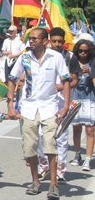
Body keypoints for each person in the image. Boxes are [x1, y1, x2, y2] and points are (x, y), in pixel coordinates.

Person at [8, 28, 70, 199]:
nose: (32, 41)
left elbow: (65, 80)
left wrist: (65, 106)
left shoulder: (56, 57)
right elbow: (12, 78)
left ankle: (53, 183)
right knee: (30, 146)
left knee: (50, 144)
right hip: (28, 108)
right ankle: (35, 181)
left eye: (35, 38)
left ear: (45, 41)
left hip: (49, 107)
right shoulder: (24, 57)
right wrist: (10, 105)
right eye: (30, 38)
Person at [38, 27, 80, 180]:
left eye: (59, 42)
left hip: (62, 100)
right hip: (45, 101)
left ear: (64, 42)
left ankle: (61, 170)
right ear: (49, 41)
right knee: (42, 135)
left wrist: (61, 86)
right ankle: (44, 167)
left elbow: (74, 80)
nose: (56, 44)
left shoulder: (70, 57)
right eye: (54, 41)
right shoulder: (43, 55)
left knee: (61, 137)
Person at [71, 39, 95, 171]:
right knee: (76, 127)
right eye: (81, 51)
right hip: (75, 95)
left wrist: (90, 73)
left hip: (89, 95)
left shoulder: (93, 62)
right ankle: (77, 154)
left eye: (86, 51)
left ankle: (88, 159)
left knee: (90, 129)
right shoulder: (73, 60)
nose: (83, 53)